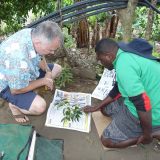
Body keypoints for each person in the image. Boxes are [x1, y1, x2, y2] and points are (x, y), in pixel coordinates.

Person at [83, 38, 160, 148]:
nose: (101, 63)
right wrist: (96, 107)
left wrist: (147, 135)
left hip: (152, 113)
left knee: (107, 141)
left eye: (100, 60)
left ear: (108, 56)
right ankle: (126, 122)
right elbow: (118, 88)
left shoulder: (124, 65)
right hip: (144, 101)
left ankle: (154, 132)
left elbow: (143, 103)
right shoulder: (123, 54)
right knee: (104, 110)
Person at [0, 20, 64, 123]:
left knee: (57, 69)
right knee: (40, 107)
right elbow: (15, 89)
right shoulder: (17, 57)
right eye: (50, 50)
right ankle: (15, 106)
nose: (52, 53)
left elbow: (39, 56)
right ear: (38, 42)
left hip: (25, 70)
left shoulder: (33, 34)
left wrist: (47, 71)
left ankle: (31, 92)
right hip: (7, 84)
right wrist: (43, 81)